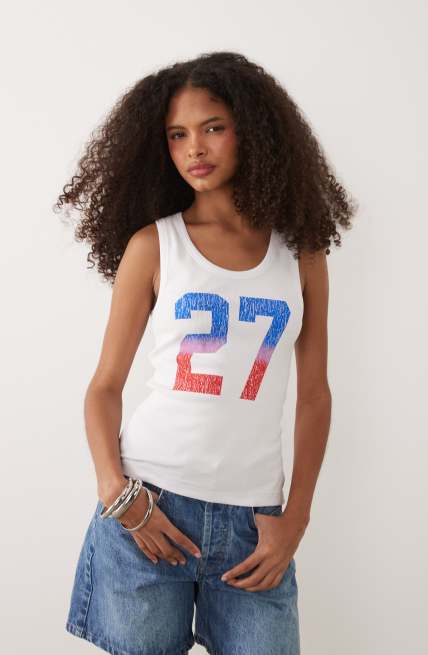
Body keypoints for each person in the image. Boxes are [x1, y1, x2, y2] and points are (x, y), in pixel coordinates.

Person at [55, 50, 356, 655]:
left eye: (213, 127)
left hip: (255, 524)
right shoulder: (155, 245)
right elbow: (104, 386)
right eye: (177, 134)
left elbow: (314, 395)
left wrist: (296, 516)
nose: (195, 147)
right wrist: (117, 493)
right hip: (150, 507)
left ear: (254, 131)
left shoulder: (300, 253)